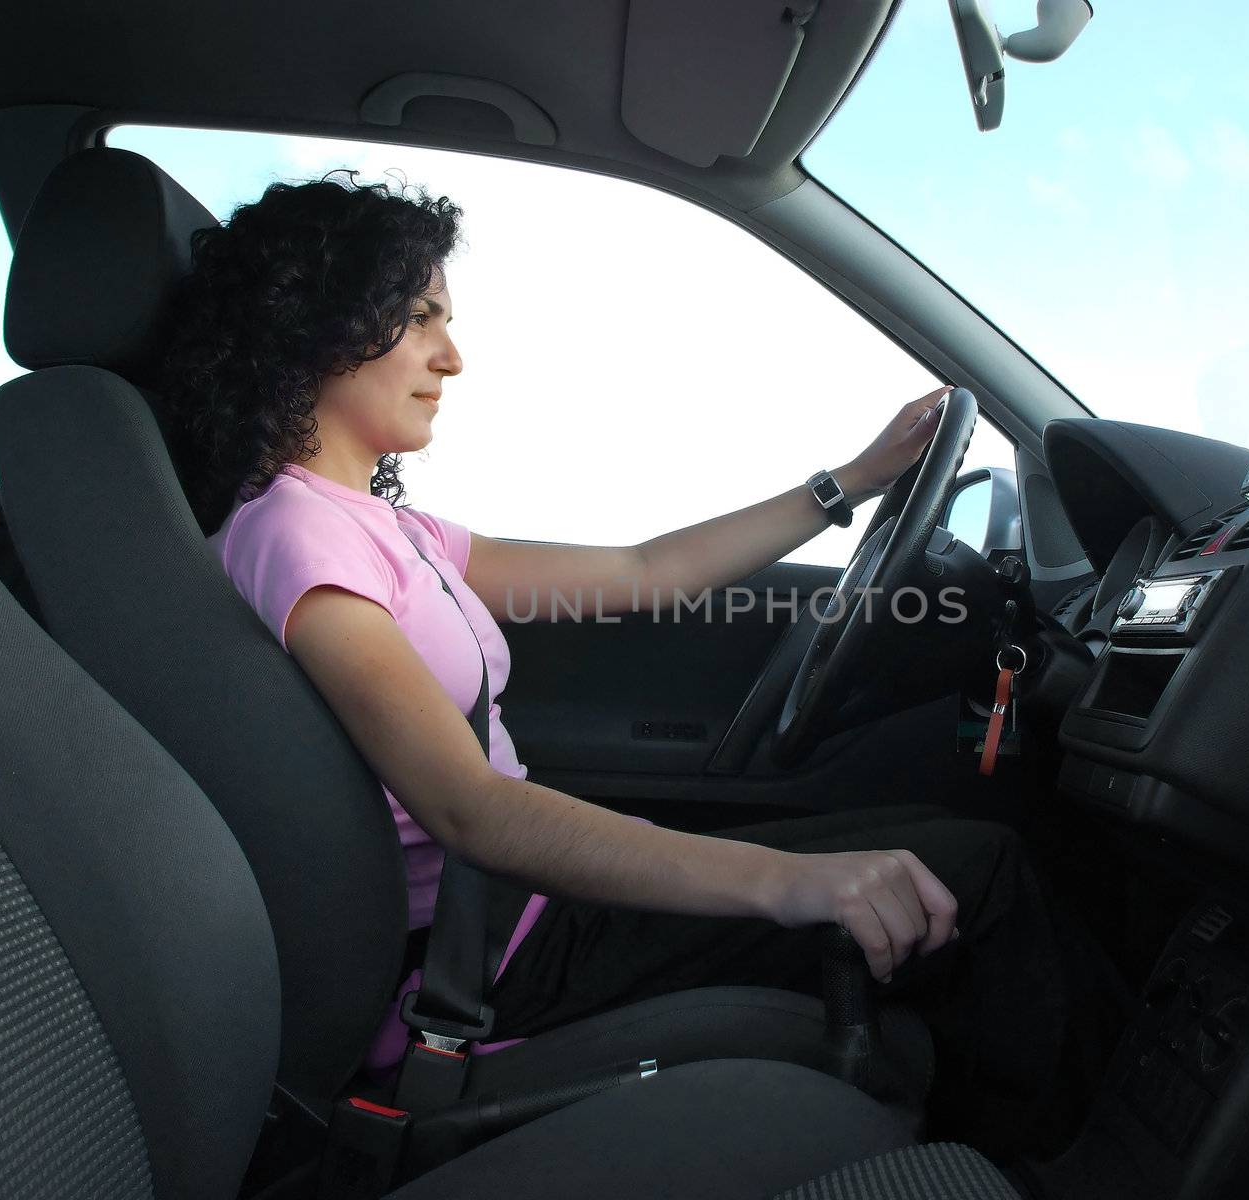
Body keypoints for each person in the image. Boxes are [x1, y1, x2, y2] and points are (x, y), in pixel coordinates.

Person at [161, 170, 1120, 1158]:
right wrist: (787, 884)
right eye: (417, 318)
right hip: (490, 958)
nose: (451, 356)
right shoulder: (296, 534)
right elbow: (470, 809)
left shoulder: (384, 529)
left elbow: (643, 571)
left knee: (946, 850)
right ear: (318, 324)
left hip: (521, 914)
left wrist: (848, 482)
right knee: (978, 876)